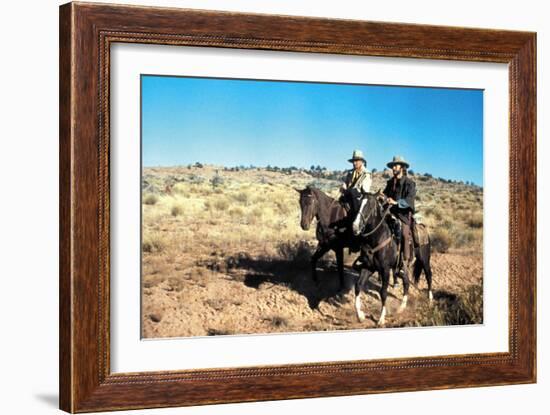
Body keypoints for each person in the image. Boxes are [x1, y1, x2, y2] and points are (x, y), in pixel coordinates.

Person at [383, 155, 416, 275]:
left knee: (403, 234)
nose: (393, 168)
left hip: (403, 214)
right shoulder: (390, 182)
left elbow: (409, 201)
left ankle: (404, 262)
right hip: (390, 212)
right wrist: (383, 197)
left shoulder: (409, 183)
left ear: (402, 167)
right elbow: (385, 194)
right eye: (393, 166)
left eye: (396, 166)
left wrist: (396, 202)